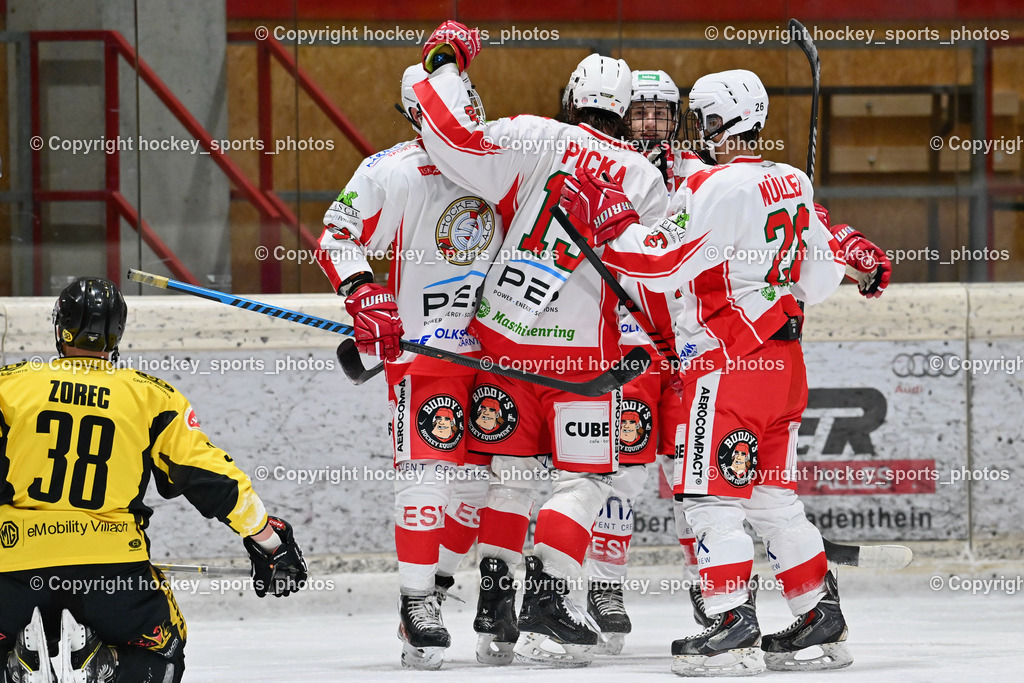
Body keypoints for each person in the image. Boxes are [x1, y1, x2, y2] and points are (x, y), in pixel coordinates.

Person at [561, 69, 889, 676]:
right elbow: (820, 277)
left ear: (714, 122)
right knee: (772, 498)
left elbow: (659, 262)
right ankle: (819, 616)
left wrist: (610, 227)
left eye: (700, 118)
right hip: (784, 367)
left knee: (710, 501)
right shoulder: (792, 181)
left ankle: (730, 622)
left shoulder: (710, 185)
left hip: (727, 366)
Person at [414, 22, 668, 667]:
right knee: (584, 479)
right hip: (581, 360)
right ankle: (549, 599)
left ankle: (494, 609)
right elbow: (654, 274)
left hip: (502, 343)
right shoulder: (641, 174)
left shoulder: (531, 134)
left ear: (570, 97)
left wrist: (446, 62)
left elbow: (451, 136)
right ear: (624, 111)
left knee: (512, 478)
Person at [0, 277, 306, 683]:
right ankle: (100, 666)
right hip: (112, 574)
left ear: (61, 328)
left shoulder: (10, 385)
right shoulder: (151, 396)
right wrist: (268, 541)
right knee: (164, 658)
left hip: (13, 570)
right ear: (117, 333)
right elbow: (211, 476)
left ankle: (14, 668)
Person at [317, 63, 501, 670]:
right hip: (425, 354)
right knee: (427, 474)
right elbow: (338, 235)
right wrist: (362, 290)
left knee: (479, 490)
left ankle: (437, 591)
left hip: (500, 353)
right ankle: (416, 599)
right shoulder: (393, 170)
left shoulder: (503, 159)